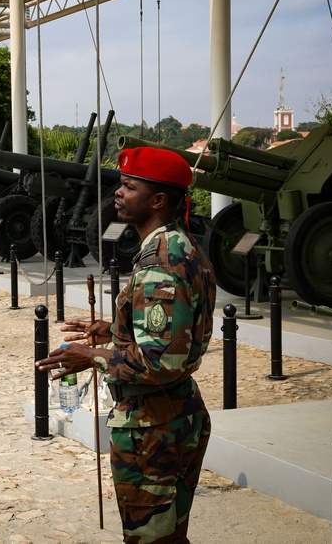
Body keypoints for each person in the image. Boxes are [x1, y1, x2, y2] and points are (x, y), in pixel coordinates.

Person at [36, 147, 217, 544]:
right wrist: (113, 333)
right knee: (171, 536)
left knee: (150, 539)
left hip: (151, 425)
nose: (118, 193)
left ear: (157, 200)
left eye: (129, 187)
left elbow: (159, 360)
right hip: (178, 412)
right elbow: (177, 335)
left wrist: (92, 356)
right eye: (121, 185)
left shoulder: (158, 264)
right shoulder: (181, 246)